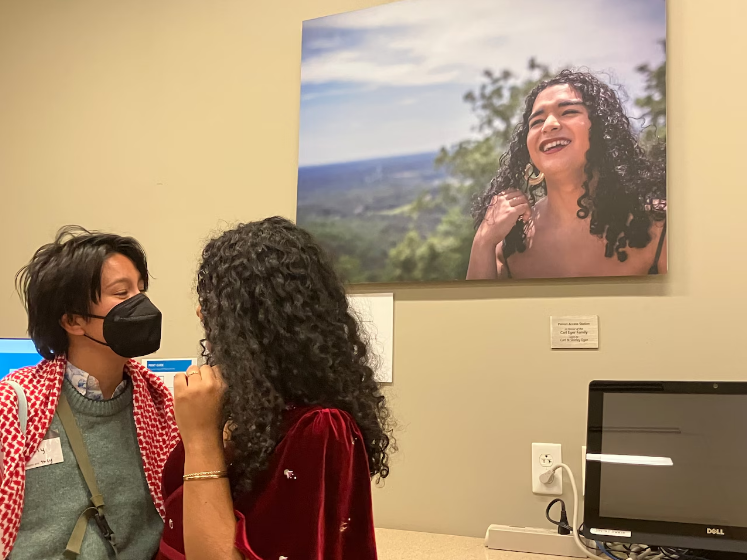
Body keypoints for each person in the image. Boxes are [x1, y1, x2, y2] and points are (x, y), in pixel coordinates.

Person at [156, 217, 394, 560]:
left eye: (214, 301)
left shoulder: (320, 428)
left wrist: (200, 438)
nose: (200, 311)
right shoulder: (242, 402)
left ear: (255, 316)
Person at [0, 226, 180, 559]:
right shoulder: (14, 406)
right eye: (122, 292)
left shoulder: (162, 407)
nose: (142, 304)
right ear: (73, 321)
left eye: (141, 289)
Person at [467, 70, 667, 280]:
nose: (548, 125)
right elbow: (477, 312)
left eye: (569, 112)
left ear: (602, 130)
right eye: (536, 122)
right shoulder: (510, 244)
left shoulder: (659, 224)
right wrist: (483, 242)